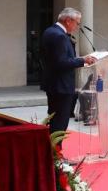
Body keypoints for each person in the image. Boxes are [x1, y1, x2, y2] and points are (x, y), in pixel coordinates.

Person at [40, 7, 97, 135]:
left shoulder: (50, 31)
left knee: (54, 118)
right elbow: (61, 62)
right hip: (61, 85)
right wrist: (83, 61)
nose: (77, 26)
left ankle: (54, 150)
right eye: (77, 22)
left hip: (54, 83)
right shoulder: (59, 36)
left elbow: (58, 59)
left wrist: (79, 59)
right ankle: (56, 151)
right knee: (60, 121)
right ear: (68, 20)